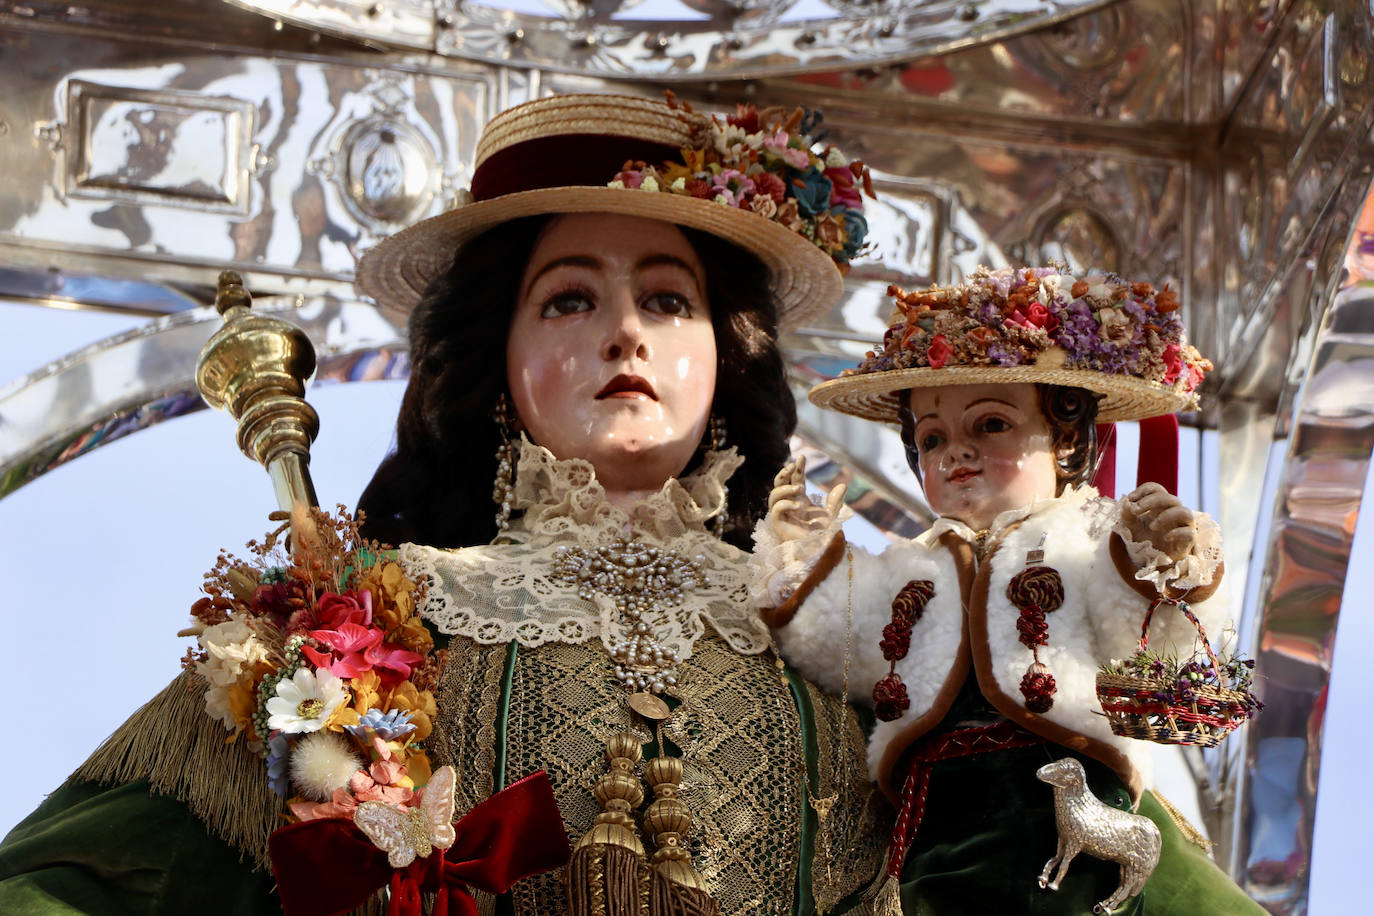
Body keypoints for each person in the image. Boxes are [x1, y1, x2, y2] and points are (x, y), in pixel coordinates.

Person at [0, 93, 888, 914]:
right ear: (496, 357)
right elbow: (93, 881)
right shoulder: (372, 621)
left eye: (667, 298)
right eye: (568, 299)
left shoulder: (849, 629)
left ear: (727, 352)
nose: (625, 331)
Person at [751, 267, 1265, 914]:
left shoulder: (1090, 542)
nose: (954, 454)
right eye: (931, 438)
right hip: (938, 830)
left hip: (1069, 800)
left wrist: (1165, 559)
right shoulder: (910, 567)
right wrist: (800, 559)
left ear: (1067, 439)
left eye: (990, 425)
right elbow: (835, 636)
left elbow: (1145, 633)